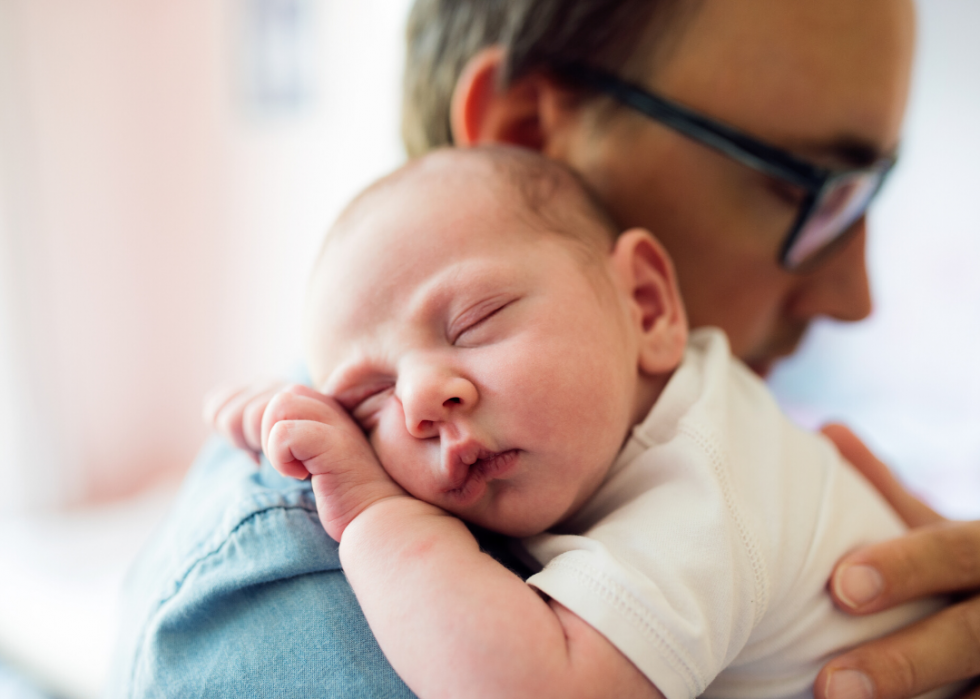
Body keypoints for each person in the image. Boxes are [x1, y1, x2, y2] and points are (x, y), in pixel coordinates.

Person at [107, 1, 980, 698]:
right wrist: (373, 506)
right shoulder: (281, 592)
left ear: (647, 299)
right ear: (524, 131)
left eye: (863, 196)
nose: (853, 297)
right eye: (800, 186)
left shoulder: (706, 462)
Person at [261, 144, 954, 699]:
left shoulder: (707, 481)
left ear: (646, 306)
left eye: (475, 321)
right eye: (366, 403)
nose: (416, 403)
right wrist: (278, 420)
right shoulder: (613, 426)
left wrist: (376, 514)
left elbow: (535, 685)